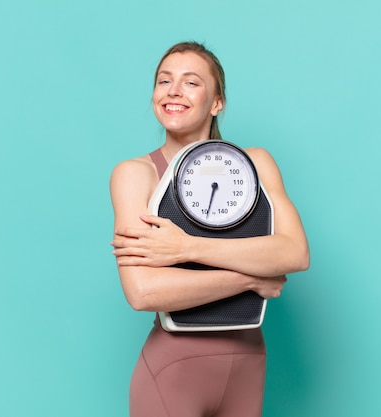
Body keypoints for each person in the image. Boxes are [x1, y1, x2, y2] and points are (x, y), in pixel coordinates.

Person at [109, 41, 309, 417]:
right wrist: (250, 279)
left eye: (191, 82)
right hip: (173, 370)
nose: (173, 90)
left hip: (249, 362)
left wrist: (186, 248)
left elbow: (295, 253)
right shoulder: (136, 174)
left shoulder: (257, 163)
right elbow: (143, 291)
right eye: (164, 80)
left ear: (217, 102)